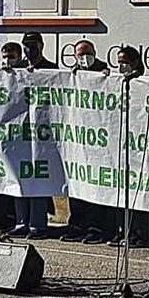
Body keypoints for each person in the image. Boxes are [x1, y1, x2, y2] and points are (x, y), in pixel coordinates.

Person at [61, 40, 116, 244]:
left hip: (100, 145)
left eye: (88, 53)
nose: (84, 57)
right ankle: (77, 226)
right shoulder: (72, 76)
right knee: (77, 187)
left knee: (96, 187)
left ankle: (97, 228)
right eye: (80, 54)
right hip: (78, 144)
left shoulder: (104, 73)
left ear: (95, 52)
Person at [2, 42, 49, 239]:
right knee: (17, 178)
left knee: (38, 179)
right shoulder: (13, 71)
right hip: (17, 134)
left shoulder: (48, 67)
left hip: (40, 134)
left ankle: (37, 224)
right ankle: (21, 222)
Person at [109, 46, 148, 248]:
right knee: (120, 191)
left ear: (135, 62)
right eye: (118, 61)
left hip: (137, 145)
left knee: (136, 192)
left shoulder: (141, 81)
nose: (121, 65)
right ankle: (122, 230)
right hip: (120, 144)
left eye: (124, 61)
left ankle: (137, 232)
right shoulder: (118, 81)